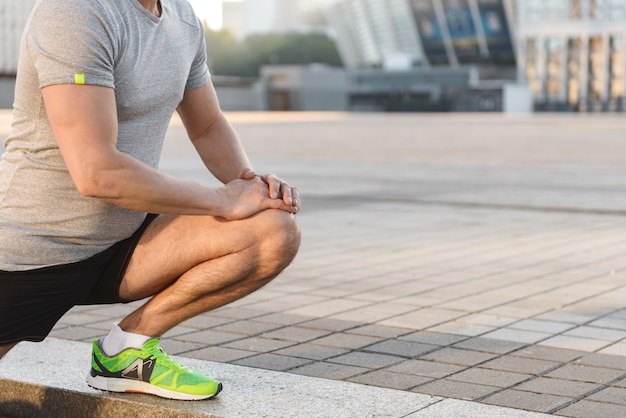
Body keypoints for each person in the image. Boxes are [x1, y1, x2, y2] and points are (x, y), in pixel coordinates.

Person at [0, 0, 301, 401]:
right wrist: (222, 201)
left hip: (123, 244)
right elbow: (98, 172)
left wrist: (250, 187)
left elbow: (208, 126)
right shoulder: (74, 12)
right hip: (30, 250)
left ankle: (125, 352)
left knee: (271, 231)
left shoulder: (182, 17)